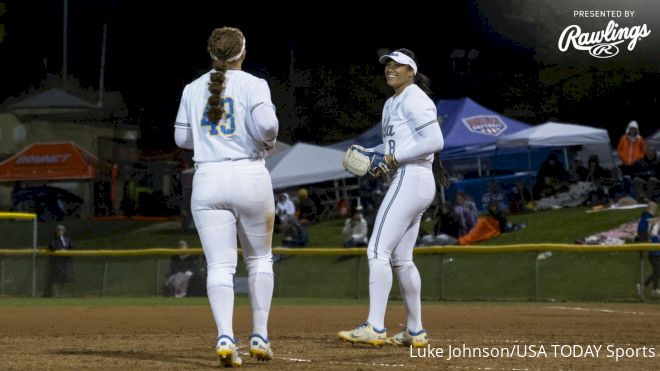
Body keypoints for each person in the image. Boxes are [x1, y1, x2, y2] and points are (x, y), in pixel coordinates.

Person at [173, 26, 278, 366]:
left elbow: (181, 140)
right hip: (249, 175)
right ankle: (259, 335)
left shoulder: (191, 89)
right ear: (242, 53)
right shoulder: (254, 84)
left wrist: (209, 136)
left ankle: (224, 337)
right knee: (260, 259)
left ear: (211, 53)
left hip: (207, 178)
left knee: (219, 265)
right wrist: (266, 143)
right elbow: (268, 127)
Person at [338, 48, 444, 349]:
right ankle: (415, 330)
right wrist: (375, 155)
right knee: (402, 258)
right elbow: (393, 144)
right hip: (414, 179)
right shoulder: (392, 103)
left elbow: (435, 141)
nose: (390, 69)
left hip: (413, 177)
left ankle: (374, 325)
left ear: (412, 71)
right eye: (388, 65)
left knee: (376, 250)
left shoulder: (414, 97)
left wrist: (392, 157)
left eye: (398, 65)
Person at [48, 225, 73, 297]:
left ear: (64, 231)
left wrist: (66, 250)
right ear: (56, 231)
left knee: (64, 279)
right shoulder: (53, 239)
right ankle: (55, 294)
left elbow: (71, 246)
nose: (60, 232)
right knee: (55, 279)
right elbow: (52, 247)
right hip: (56, 262)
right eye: (58, 230)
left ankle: (62, 294)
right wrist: (60, 250)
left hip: (65, 261)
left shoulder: (67, 239)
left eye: (61, 230)